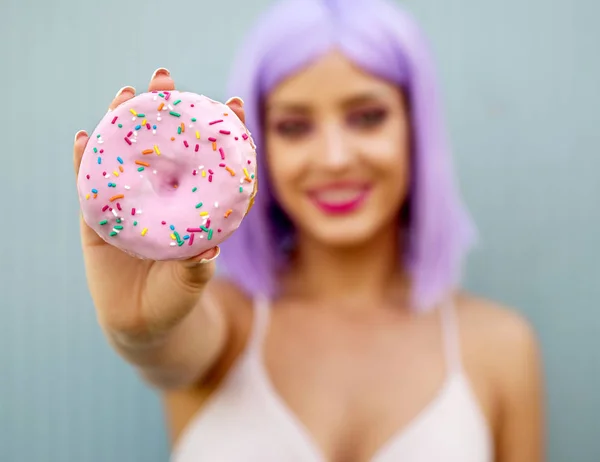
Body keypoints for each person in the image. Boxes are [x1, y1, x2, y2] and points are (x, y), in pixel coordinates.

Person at [72, 0, 544, 460]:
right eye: (294, 126)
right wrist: (139, 332)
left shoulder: (499, 347)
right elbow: (168, 349)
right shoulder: (222, 321)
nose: (335, 158)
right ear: (259, 144)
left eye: (367, 117)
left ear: (414, 127)